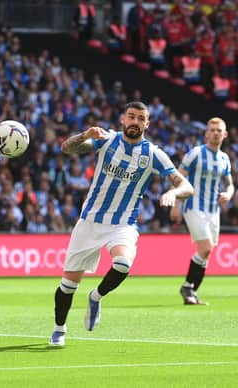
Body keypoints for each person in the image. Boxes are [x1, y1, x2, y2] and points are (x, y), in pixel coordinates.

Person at [48, 101, 193, 347]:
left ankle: (96, 296)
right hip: (90, 221)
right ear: (123, 120)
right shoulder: (106, 140)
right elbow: (66, 148)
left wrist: (173, 194)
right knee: (69, 284)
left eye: (140, 118)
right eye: (131, 117)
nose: (135, 122)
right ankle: (59, 329)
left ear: (147, 124)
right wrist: (85, 134)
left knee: (123, 263)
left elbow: (186, 186)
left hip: (122, 224)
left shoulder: (152, 154)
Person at [170, 117, 234, 305]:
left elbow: (230, 185)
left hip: (213, 210)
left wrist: (229, 194)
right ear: (206, 133)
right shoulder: (196, 154)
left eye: (219, 130)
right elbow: (178, 178)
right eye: (212, 129)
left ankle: (190, 289)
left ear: (225, 134)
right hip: (193, 207)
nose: (215, 133)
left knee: (207, 252)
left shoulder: (224, 159)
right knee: (205, 248)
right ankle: (188, 288)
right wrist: (175, 204)